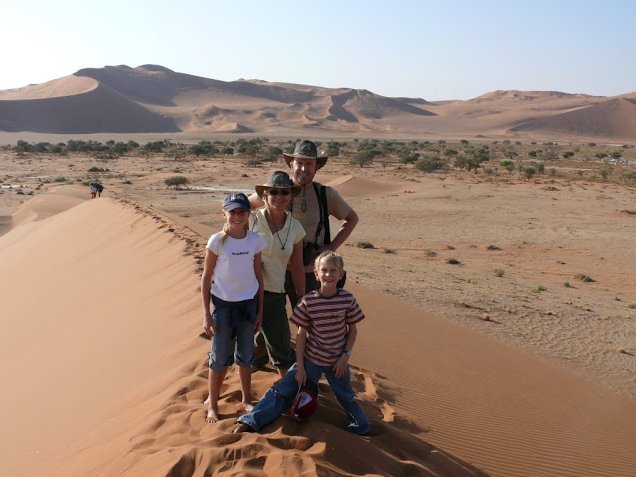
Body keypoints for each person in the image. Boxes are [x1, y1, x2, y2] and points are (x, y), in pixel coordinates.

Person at [234, 251, 370, 435]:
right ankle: (251, 421)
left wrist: (345, 357)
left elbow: (353, 330)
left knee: (346, 397)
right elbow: (301, 335)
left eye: (333, 270)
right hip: (311, 358)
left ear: (341, 274)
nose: (328, 275)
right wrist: (300, 367)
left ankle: (362, 427)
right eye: (324, 270)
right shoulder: (308, 301)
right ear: (316, 274)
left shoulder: (347, 299)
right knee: (282, 389)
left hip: (338, 360)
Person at [249, 139, 359, 305]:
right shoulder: (276, 189)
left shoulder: (326, 194)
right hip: (273, 268)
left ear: (316, 167)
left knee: (309, 321)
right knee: (266, 319)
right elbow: (244, 206)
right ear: (291, 165)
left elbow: (352, 219)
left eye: (309, 164)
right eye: (299, 163)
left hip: (309, 272)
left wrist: (331, 247)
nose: (303, 169)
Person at [201, 192, 266, 423]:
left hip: (248, 306)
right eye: (233, 212)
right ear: (224, 213)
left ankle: (247, 399)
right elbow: (206, 277)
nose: (237, 216)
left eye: (242, 211)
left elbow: (258, 275)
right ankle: (213, 404)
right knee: (218, 358)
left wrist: (260, 310)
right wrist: (207, 315)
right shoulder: (217, 241)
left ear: (249, 214)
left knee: (246, 357)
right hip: (223, 307)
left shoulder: (255, 241)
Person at [250, 171, 306, 376]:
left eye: (284, 192)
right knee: (232, 344)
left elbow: (297, 266)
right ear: (264, 196)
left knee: (281, 349)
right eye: (274, 191)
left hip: (274, 293)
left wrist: (301, 298)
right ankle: (217, 398)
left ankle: (290, 394)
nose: (279, 197)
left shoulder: (295, 227)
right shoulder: (250, 220)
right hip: (244, 292)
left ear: (291, 196)